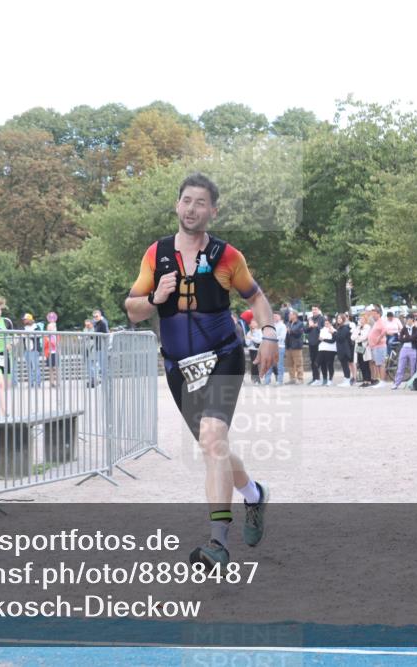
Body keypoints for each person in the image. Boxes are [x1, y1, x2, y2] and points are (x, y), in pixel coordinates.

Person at [124, 173, 275, 568]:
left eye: (200, 203)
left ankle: (217, 542)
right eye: (186, 201)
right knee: (214, 446)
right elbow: (133, 310)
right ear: (177, 205)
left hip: (224, 356)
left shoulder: (227, 256)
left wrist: (269, 333)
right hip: (180, 367)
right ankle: (255, 495)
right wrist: (156, 297)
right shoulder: (156, 254)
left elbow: (256, 297)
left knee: (211, 437)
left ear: (213, 211)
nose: (192, 209)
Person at [263, 313, 287, 385]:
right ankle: (267, 381)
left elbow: (282, 337)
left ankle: (279, 381)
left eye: (276, 316)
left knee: (279, 365)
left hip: (279, 347)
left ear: (280, 317)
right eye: (273, 316)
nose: (274, 317)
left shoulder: (283, 326)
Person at [22, 313, 44, 388]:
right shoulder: (24, 328)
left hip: (34, 350)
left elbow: (38, 336)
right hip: (27, 349)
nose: (24, 321)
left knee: (35, 367)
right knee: (29, 367)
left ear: (29, 319)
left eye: (25, 319)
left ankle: (38, 382)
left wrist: (29, 335)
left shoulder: (36, 327)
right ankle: (31, 382)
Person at [285, 310, 305, 384]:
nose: (289, 316)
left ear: (295, 315)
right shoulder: (288, 323)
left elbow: (298, 334)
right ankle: (292, 379)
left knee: (298, 363)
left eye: (290, 315)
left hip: (296, 347)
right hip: (288, 346)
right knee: (290, 364)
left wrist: (290, 331)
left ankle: (300, 379)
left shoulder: (300, 324)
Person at [316, 319, 337, 386]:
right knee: (319, 364)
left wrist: (323, 339)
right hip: (322, 349)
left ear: (330, 324)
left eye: (327, 323)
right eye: (325, 323)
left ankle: (330, 379)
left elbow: (332, 341)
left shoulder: (334, 330)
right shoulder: (322, 330)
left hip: (330, 350)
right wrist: (321, 340)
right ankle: (324, 379)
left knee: (330, 364)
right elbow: (320, 339)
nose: (326, 324)